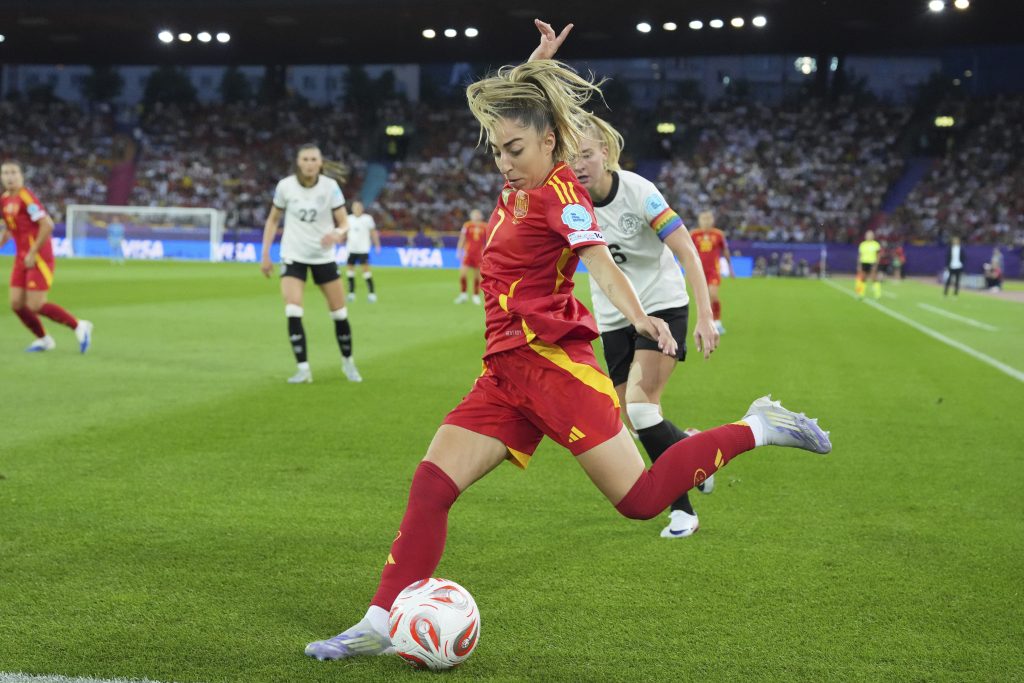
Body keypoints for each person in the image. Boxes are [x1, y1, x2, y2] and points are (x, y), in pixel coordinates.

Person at [304, 53, 831, 662]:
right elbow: (520, 117)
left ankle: (757, 426)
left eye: (516, 149)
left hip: (553, 366)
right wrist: (532, 70)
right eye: (498, 150)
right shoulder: (520, 176)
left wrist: (639, 319)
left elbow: (601, 265)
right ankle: (377, 620)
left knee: (638, 501)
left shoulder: (562, 196)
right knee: (431, 484)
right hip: (504, 372)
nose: (504, 162)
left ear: (548, 142)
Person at [568, 111, 720, 538]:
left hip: (663, 308)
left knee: (640, 405)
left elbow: (688, 251)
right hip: (615, 316)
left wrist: (706, 317)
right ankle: (693, 451)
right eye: (571, 157)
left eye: (586, 155)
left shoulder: (638, 191)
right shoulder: (570, 204)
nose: (579, 165)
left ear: (606, 153)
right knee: (634, 421)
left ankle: (683, 510)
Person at [260, 144, 361, 384]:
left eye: (313, 159)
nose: (309, 163)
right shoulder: (285, 186)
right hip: (293, 255)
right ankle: (303, 368)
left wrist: (338, 233)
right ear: (298, 162)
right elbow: (273, 221)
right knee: (293, 309)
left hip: (323, 257)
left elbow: (345, 223)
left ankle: (348, 362)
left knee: (339, 313)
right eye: (304, 159)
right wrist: (265, 254)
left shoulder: (330, 187)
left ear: (320, 163)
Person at [1, 159, 92, 353]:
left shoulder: (27, 197)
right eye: (6, 173)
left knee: (35, 305)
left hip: (38, 256)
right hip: (22, 257)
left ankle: (78, 325)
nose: (9, 177)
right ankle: (44, 339)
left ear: (21, 176)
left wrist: (33, 252)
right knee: (17, 303)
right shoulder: (4, 200)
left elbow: (47, 225)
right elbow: (9, 229)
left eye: (13, 173)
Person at [689, 211, 733, 333]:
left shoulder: (718, 234)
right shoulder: (694, 234)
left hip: (713, 271)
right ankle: (705, 322)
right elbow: (687, 251)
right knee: (702, 299)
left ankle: (717, 322)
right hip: (698, 271)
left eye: (708, 220)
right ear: (699, 221)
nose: (706, 222)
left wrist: (730, 267)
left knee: (713, 295)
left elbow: (725, 251)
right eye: (703, 220)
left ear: (712, 221)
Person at [345, 201, 380, 303]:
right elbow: (345, 233)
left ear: (362, 208)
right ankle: (351, 294)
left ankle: (371, 293)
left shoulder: (367, 219)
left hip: (363, 249)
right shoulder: (348, 219)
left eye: (359, 207)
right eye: (355, 207)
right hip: (351, 249)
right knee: (350, 272)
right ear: (352, 209)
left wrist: (377, 245)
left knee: (366, 272)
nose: (357, 209)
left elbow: (373, 233)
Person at [454, 209, 487, 305]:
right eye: (474, 214)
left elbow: (488, 240)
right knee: (463, 275)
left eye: (478, 214)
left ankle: (475, 295)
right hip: (468, 253)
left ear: (480, 216)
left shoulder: (485, 226)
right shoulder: (467, 225)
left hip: (479, 254)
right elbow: (462, 238)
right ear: (471, 216)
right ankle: (463, 294)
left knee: (477, 276)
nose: (476, 216)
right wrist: (459, 250)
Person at [856, 230, 882, 300]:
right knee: (863, 278)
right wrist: (859, 264)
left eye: (870, 235)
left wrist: (876, 264)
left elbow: (878, 255)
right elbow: (860, 255)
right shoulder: (862, 244)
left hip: (872, 262)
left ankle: (877, 294)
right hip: (864, 262)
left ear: (873, 236)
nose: (868, 236)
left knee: (874, 278)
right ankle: (861, 294)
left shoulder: (875, 244)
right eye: (867, 235)